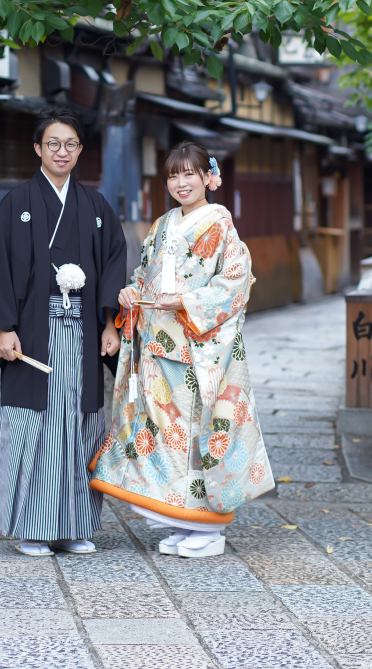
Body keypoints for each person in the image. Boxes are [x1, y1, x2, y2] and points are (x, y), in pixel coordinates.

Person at [89, 139, 274, 558]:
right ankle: (181, 521)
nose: (181, 183)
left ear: (208, 177)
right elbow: (146, 274)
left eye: (189, 173)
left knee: (194, 436)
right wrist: (132, 292)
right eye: (173, 175)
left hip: (198, 350)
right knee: (163, 438)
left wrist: (187, 302)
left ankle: (208, 529)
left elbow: (235, 283)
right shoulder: (162, 224)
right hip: (158, 348)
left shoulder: (220, 224)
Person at [0, 104, 126, 556]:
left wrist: (110, 323)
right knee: (34, 424)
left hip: (83, 333)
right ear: (37, 148)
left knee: (80, 424)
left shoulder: (95, 207)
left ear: (80, 150)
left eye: (70, 144)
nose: (61, 151)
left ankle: (74, 525)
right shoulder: (16, 204)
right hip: (31, 334)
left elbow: (113, 264)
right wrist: (3, 329)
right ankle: (32, 528)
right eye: (53, 143)